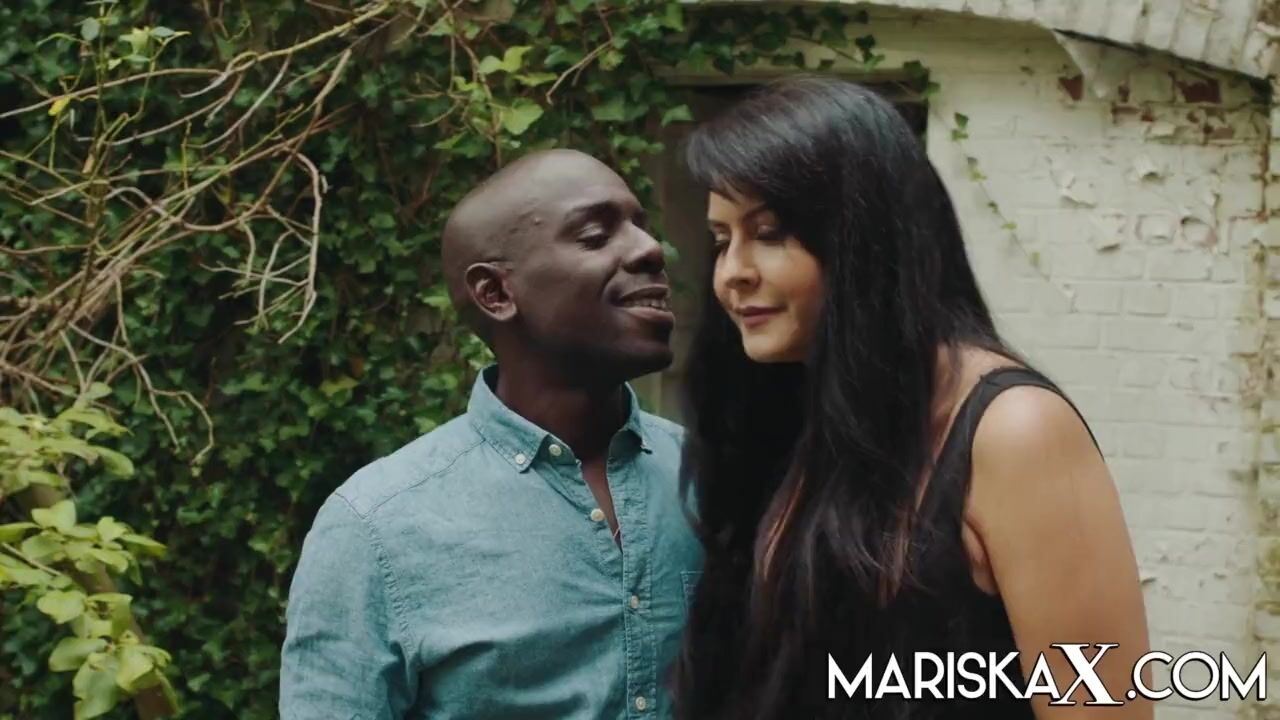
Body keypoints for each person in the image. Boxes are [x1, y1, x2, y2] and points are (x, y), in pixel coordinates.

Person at [671, 77, 1152, 719]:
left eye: (771, 232)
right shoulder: (802, 412)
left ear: (864, 236)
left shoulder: (1014, 431)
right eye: (721, 240)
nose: (733, 273)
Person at [280, 149, 702, 719]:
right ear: (496, 293)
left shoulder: (718, 482)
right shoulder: (374, 527)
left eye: (641, 225)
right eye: (596, 236)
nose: (650, 249)